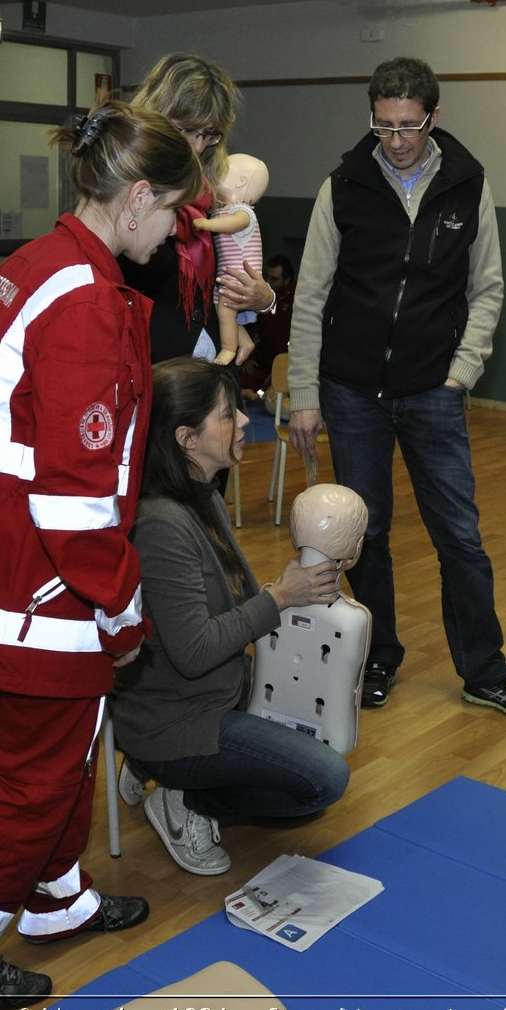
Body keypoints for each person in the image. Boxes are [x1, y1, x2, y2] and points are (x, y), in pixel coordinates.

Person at [0, 99, 205, 1008]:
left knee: (67, 749)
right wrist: (122, 608)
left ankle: (54, 896)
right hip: (33, 574)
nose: (177, 230)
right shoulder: (89, 305)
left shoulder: (36, 264)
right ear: (138, 194)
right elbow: (77, 495)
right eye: (174, 212)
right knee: (34, 772)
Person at [287, 56, 506, 722]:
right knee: (363, 533)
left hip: (433, 388)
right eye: (383, 125)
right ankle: (378, 658)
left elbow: (486, 287)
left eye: (407, 125)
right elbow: (311, 293)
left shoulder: (467, 185)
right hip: (350, 391)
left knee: (459, 536)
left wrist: (462, 369)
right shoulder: (343, 185)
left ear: (434, 117)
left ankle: (485, 673)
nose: (396, 139)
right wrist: (304, 391)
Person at [113, 358, 350, 876]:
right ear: (186, 438)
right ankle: (185, 798)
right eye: (228, 414)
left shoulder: (200, 494)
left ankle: (168, 775)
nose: (245, 421)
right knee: (324, 781)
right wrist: (280, 598)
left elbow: (223, 605)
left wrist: (286, 594)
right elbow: (195, 651)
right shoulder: (162, 524)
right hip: (174, 719)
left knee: (322, 734)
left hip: (211, 694)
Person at [123, 52, 275, 363]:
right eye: (185, 130)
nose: (197, 145)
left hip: (209, 370)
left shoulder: (216, 194)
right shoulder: (128, 193)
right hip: (155, 369)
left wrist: (262, 299)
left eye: (208, 134)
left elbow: (228, 277)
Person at [193, 153, 270, 366]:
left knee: (226, 309)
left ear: (241, 181)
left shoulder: (242, 211)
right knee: (225, 313)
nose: (214, 176)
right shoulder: (222, 210)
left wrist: (206, 225)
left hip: (240, 277)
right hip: (228, 277)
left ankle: (228, 349)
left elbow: (236, 223)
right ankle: (245, 342)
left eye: (221, 172)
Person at [240, 253, 295, 393]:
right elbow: (245, 323)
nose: (269, 282)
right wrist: (246, 358)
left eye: (275, 279)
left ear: (287, 280)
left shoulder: (299, 298)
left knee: (275, 399)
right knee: (241, 386)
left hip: (288, 362)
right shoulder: (260, 293)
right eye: (268, 277)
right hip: (261, 358)